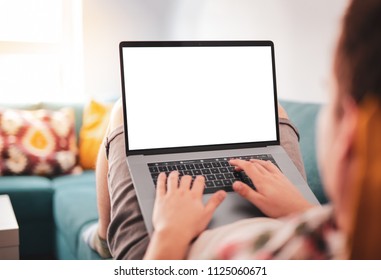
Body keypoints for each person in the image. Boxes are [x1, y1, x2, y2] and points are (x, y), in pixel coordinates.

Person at [86, 0, 381, 259]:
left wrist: (170, 232)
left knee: (124, 110)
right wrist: (302, 209)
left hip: (174, 242)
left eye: (328, 92)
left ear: (351, 136)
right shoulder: (349, 238)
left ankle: (104, 237)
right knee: (273, 111)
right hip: (284, 214)